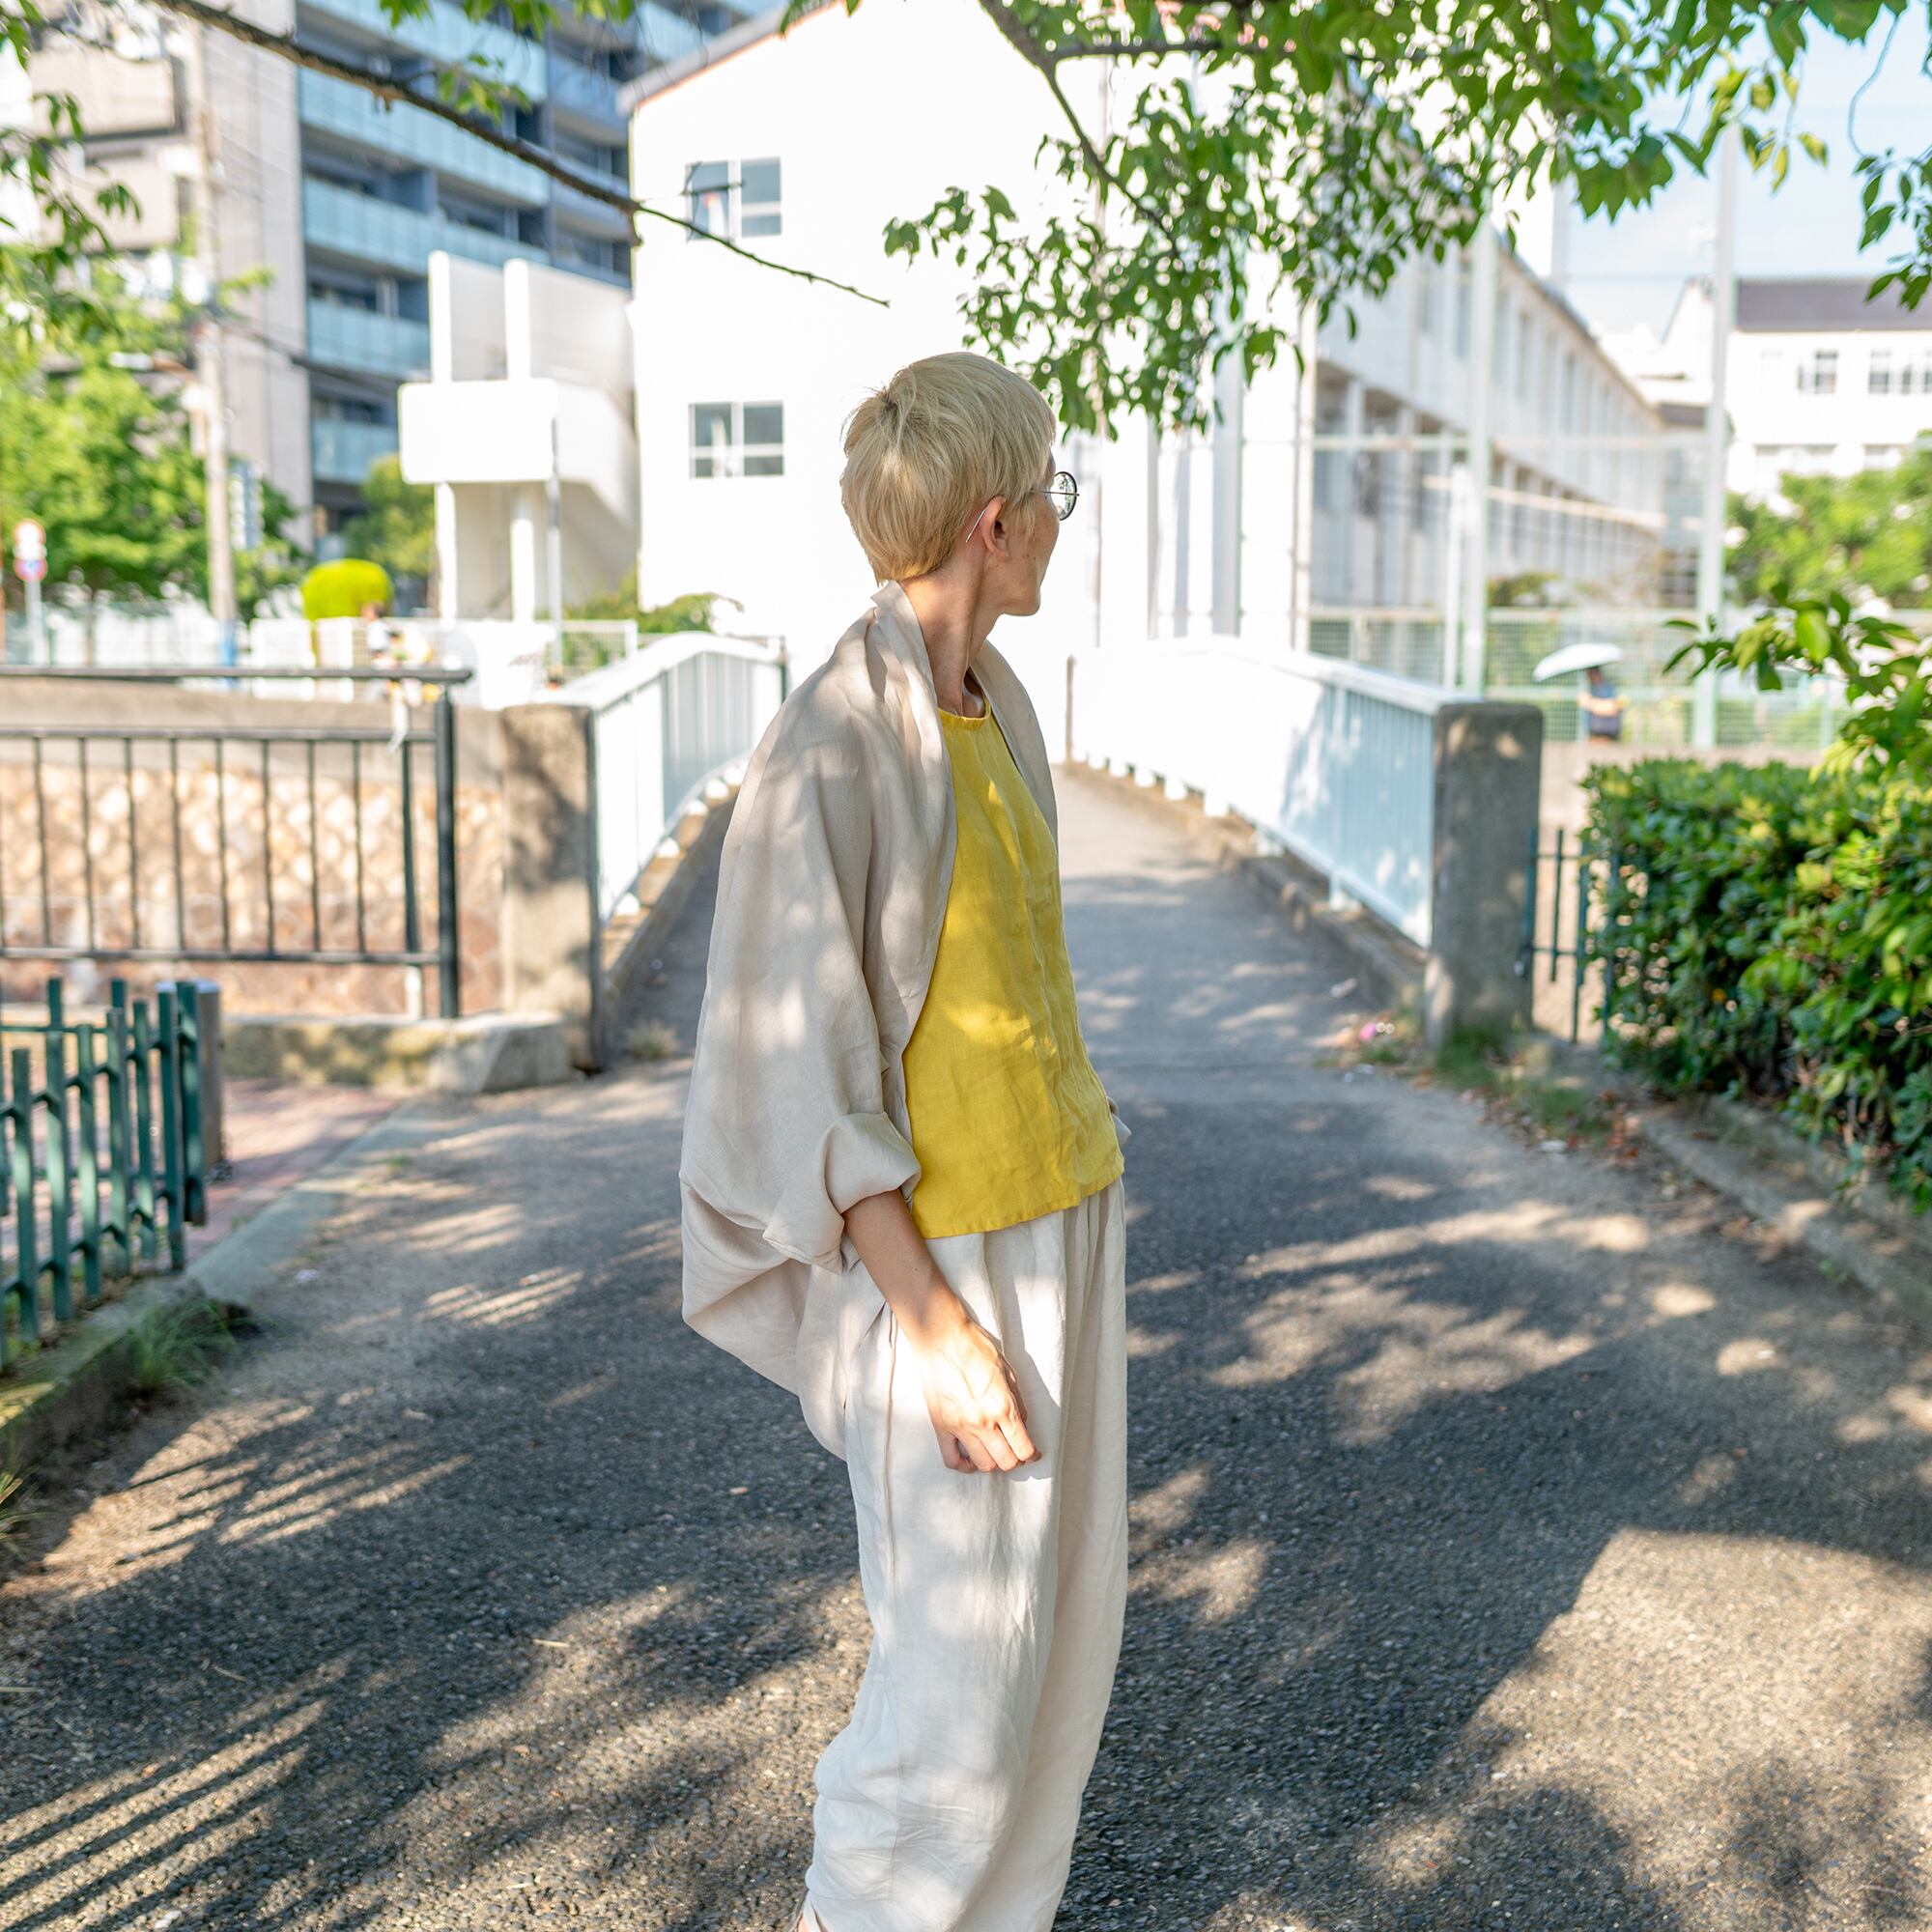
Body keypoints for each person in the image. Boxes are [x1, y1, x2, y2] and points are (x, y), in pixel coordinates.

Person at [676, 351, 1132, 1932]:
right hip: (941, 1269)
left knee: (1053, 1668)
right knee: (953, 1701)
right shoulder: (835, 738)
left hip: (1062, 1226)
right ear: (997, 522)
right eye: (1054, 493)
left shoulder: (992, 707)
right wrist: (933, 1329)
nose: (1061, 519)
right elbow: (798, 1068)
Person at [1581, 663, 1627, 741]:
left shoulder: (1605, 688)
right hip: (1594, 735)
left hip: (1604, 736)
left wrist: (1588, 703)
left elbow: (1612, 708)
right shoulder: (1593, 688)